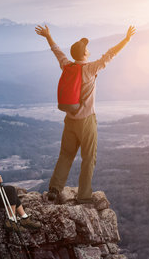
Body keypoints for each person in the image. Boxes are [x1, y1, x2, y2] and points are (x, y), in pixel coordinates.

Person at [35, 24, 136, 203]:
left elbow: (57, 51)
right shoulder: (90, 69)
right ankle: (84, 196)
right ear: (84, 54)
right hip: (86, 121)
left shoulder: (67, 66)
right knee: (89, 158)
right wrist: (126, 40)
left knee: (66, 155)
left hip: (70, 120)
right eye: (87, 49)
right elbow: (110, 54)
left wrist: (48, 36)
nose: (89, 50)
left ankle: (54, 189)